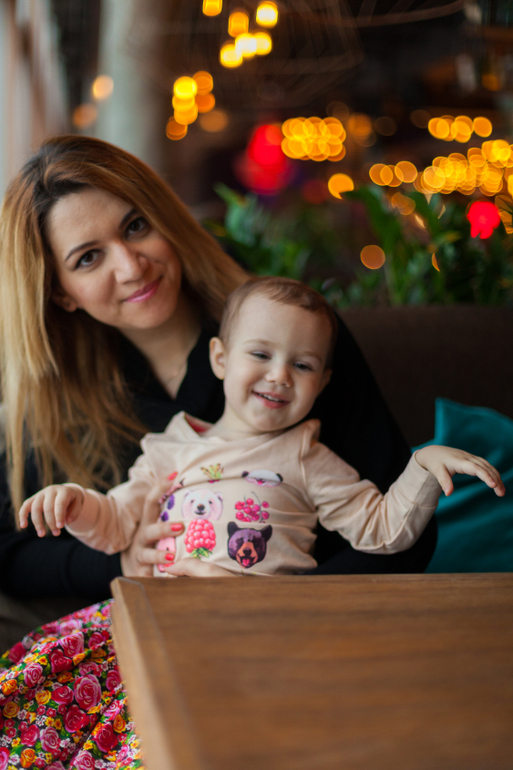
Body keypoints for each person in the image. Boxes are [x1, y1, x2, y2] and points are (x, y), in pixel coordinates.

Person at [0, 135, 434, 769]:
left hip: (307, 634)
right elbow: (8, 551)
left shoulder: (285, 342)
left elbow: (407, 538)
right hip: (156, 641)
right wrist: (121, 558)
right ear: (61, 291)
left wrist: (274, 608)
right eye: (89, 257)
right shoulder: (64, 395)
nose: (131, 266)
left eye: (136, 226)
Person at [19, 278, 505, 577]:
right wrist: (76, 504)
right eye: (260, 354)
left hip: (264, 627)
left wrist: (422, 468)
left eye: (302, 364)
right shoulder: (169, 449)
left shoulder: (307, 457)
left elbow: (383, 532)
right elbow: (114, 525)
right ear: (220, 358)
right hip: (163, 623)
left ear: (322, 383)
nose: (279, 375)